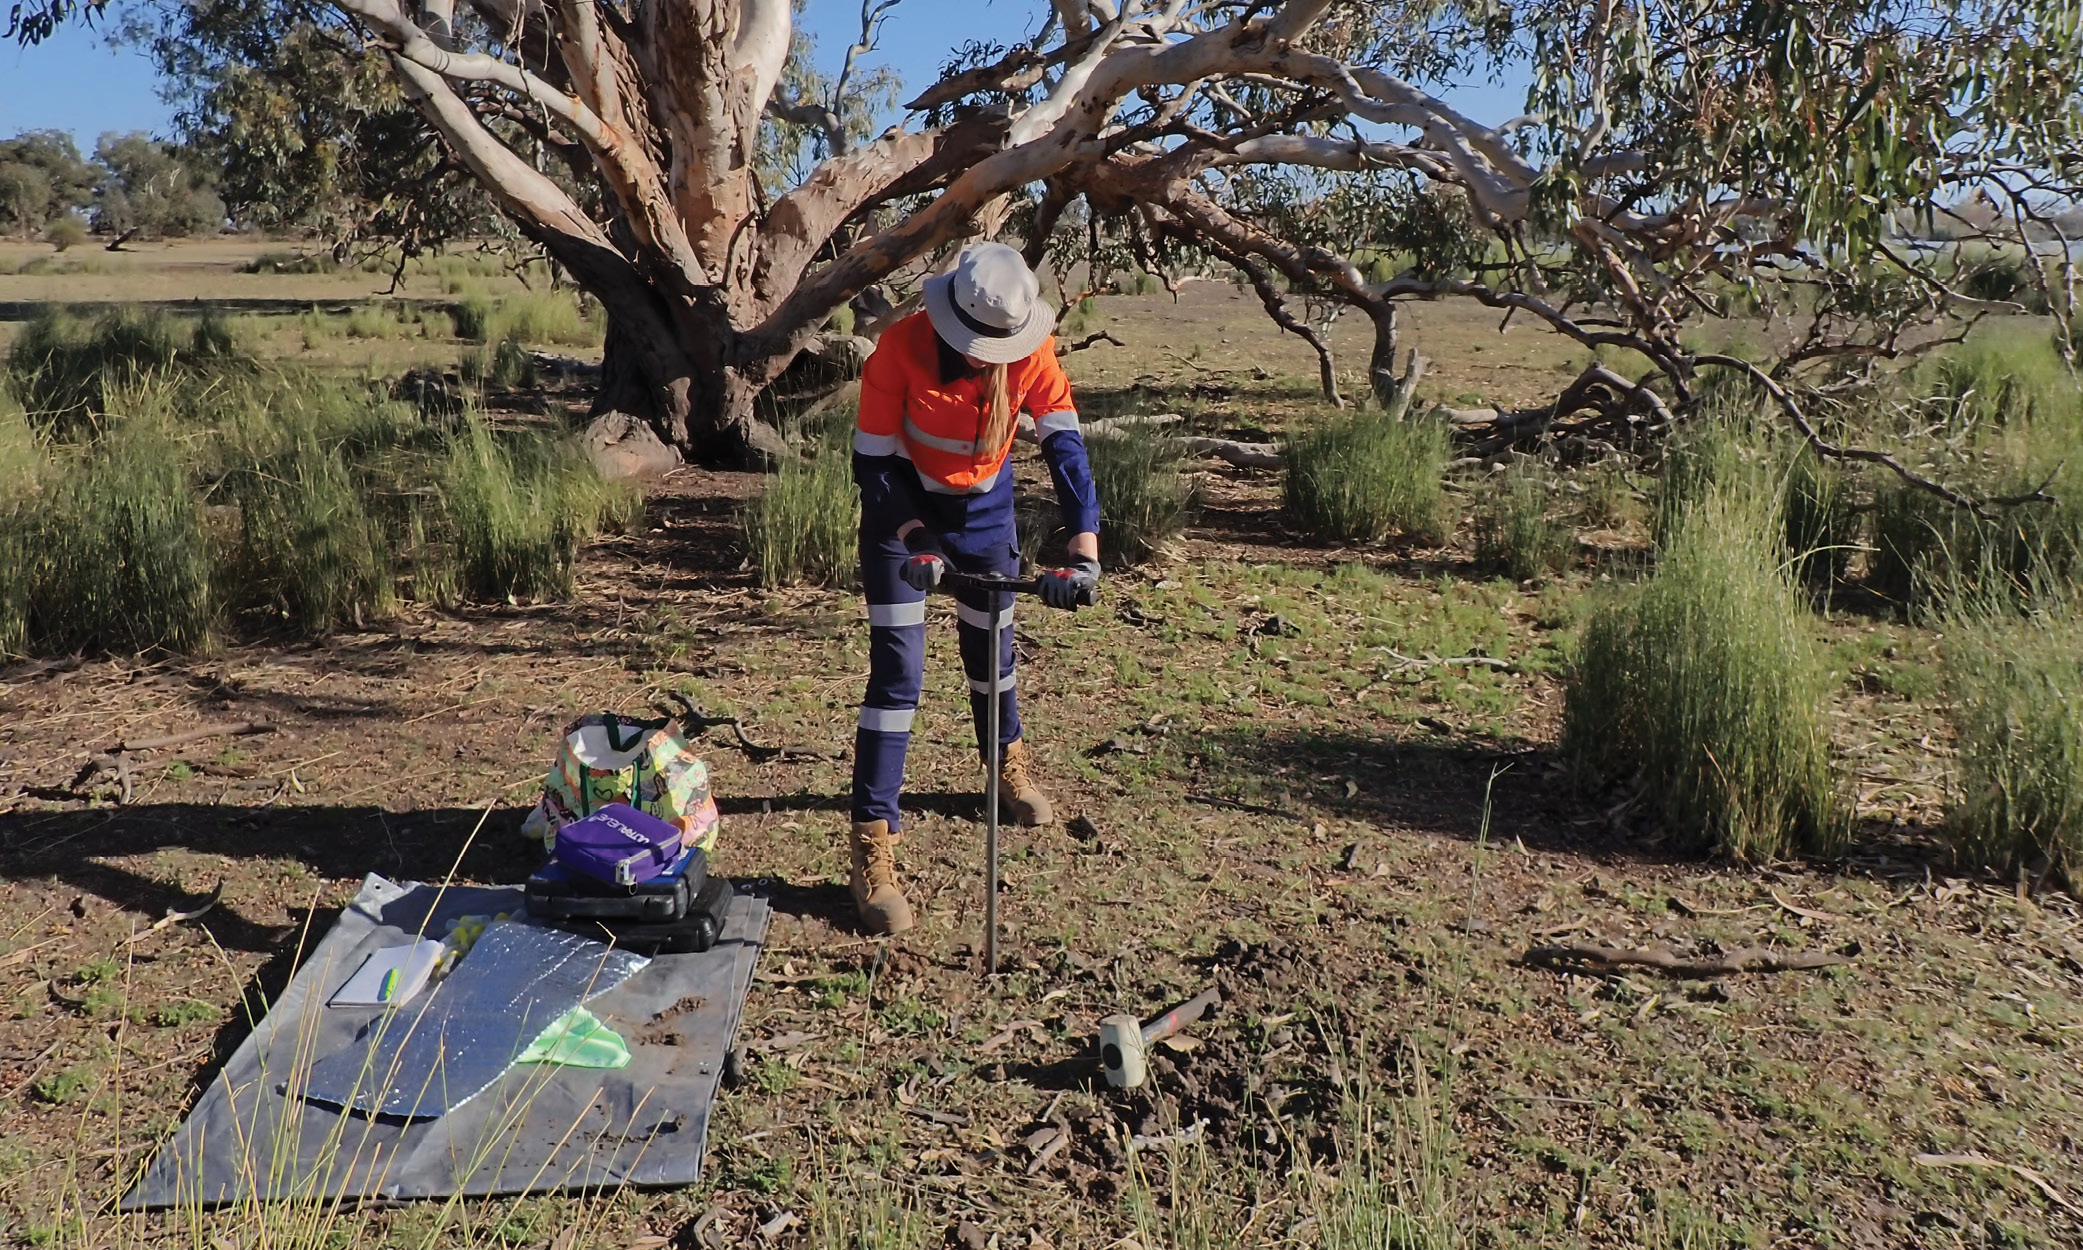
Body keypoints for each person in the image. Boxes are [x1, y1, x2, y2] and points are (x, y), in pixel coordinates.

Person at [846, 242, 1101, 935]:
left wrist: (1083, 544)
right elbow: (871, 470)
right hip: (900, 518)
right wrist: (915, 539)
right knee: (897, 677)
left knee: (993, 658)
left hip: (985, 515)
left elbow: (1064, 445)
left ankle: (1005, 768)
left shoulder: (1031, 352)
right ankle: (872, 839)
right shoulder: (897, 351)